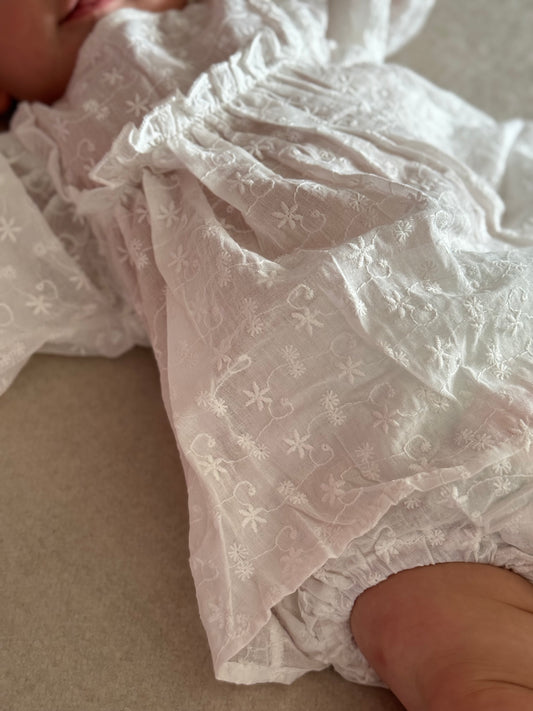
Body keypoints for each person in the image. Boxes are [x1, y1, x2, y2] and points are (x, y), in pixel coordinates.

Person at [1, 1, 533, 709]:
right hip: (348, 464)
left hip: (483, 315)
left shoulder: (270, 11)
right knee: (458, 654)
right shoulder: (53, 159)